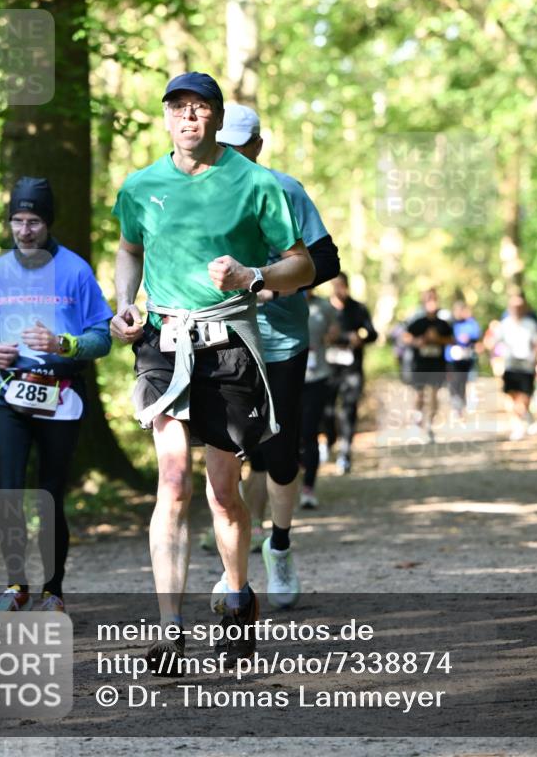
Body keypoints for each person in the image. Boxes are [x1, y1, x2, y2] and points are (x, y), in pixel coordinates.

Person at [110, 73, 314, 671]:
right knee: (171, 481)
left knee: (223, 494)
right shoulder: (141, 185)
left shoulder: (255, 183)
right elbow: (129, 248)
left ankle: (234, 599)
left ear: (217, 120)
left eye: (200, 110)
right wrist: (128, 303)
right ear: (167, 118)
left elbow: (299, 265)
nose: (188, 119)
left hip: (229, 347)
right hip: (164, 343)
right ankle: (169, 630)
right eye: (178, 109)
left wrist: (252, 276)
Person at [213, 103, 340, 607]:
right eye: (223, 147)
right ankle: (234, 569)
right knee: (230, 451)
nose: (231, 157)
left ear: (257, 147)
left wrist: (273, 285)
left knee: (282, 454)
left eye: (240, 147)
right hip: (222, 338)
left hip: (281, 339)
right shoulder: (199, 194)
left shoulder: (285, 190)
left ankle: (280, 545)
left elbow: (326, 261)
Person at [0, 177, 112, 613]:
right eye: (17, 220)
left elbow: (102, 337)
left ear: (48, 222)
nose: (25, 230)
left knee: (50, 496)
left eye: (33, 220)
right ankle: (16, 584)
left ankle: (53, 590)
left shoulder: (74, 269)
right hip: (9, 395)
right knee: (9, 493)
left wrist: (64, 345)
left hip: (61, 395)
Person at [324, 272, 378, 473]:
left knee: (348, 409)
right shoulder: (324, 308)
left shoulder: (358, 308)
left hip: (352, 369)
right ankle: (330, 439)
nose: (338, 290)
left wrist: (360, 338)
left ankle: (345, 452)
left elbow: (372, 333)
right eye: (335, 285)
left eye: (342, 286)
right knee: (326, 410)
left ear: (347, 287)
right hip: (328, 369)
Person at [300, 288, 340, 508]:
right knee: (291, 433)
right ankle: (291, 478)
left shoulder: (324, 307)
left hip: (317, 376)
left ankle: (308, 487)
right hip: (289, 377)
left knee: (310, 432)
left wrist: (331, 335)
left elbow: (335, 332)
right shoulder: (279, 301)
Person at [484, 292, 537, 440]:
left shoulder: (531, 324)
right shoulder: (504, 325)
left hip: (526, 365)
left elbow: (536, 344)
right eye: (514, 307)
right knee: (511, 396)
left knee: (525, 396)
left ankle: (525, 414)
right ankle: (517, 425)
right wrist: (494, 360)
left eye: (520, 307)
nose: (517, 309)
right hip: (510, 364)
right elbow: (493, 343)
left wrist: (535, 360)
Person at [402, 288, 453, 441]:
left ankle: (430, 425)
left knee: (434, 395)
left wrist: (438, 339)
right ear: (424, 302)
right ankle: (418, 420)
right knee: (419, 394)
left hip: (437, 364)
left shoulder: (443, 324)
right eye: (428, 299)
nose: (432, 302)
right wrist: (418, 341)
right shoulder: (417, 322)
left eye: (434, 299)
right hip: (420, 364)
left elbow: (451, 339)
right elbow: (405, 337)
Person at [445, 299, 481, 423]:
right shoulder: (449, 323)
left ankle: (460, 408)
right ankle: (456, 408)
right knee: (453, 384)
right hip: (451, 359)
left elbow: (476, 335)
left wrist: (468, 338)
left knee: (463, 383)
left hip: (466, 359)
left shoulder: (471, 323)